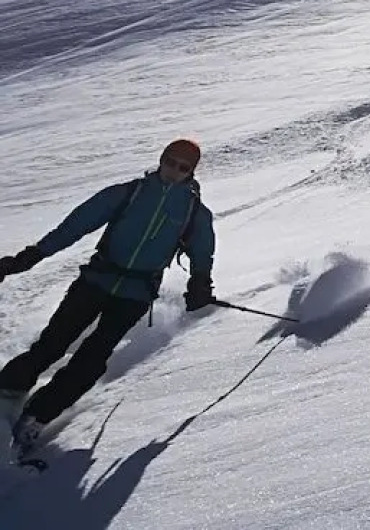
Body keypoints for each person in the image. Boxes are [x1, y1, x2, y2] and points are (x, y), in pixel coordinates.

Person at [0, 138, 216, 452]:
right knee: (53, 342)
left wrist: (200, 283)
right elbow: (77, 224)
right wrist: (33, 255)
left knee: (92, 359)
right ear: (161, 159)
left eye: (183, 167)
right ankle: (6, 392)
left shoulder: (194, 212)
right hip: (96, 280)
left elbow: (203, 250)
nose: (173, 171)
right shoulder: (130, 193)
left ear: (191, 172)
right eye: (170, 162)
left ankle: (36, 418)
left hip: (135, 294)